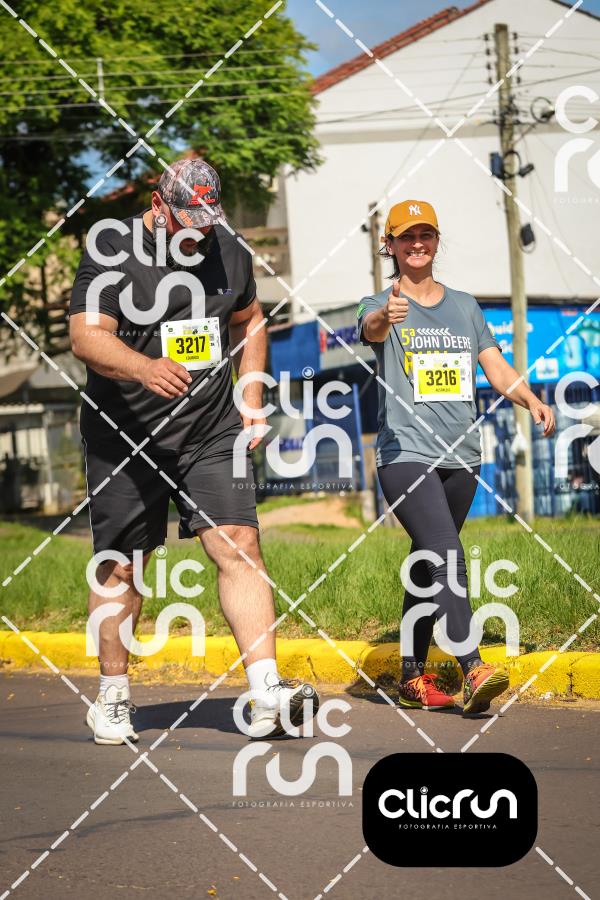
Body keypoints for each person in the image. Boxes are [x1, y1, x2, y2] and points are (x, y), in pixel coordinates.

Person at [69, 157, 318, 744]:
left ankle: (265, 692)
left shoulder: (227, 247)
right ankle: (112, 697)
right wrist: (144, 367)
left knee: (239, 543)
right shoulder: (112, 248)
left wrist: (251, 394)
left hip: (209, 429)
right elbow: (85, 335)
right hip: (124, 431)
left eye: (208, 220)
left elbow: (249, 320)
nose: (200, 233)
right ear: (159, 206)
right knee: (122, 565)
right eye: (189, 222)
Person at [357, 200, 555, 715]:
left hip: (462, 456)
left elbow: (495, 366)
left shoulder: (465, 307)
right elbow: (371, 330)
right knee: (446, 553)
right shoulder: (379, 303)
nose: (417, 244)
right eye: (406, 236)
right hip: (405, 453)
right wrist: (384, 316)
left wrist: (530, 399)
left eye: (425, 234)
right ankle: (473, 666)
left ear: (436, 241)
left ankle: (411, 677)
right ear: (390, 245)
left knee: (427, 564)